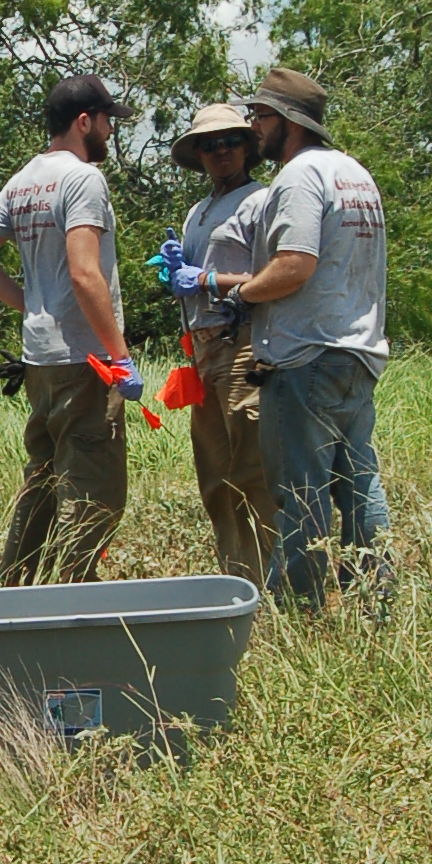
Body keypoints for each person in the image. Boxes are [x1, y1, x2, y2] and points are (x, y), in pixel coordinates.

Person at [206, 68, 391, 610]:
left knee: (299, 494)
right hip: (358, 353)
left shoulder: (298, 177)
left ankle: (299, 616)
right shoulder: (355, 174)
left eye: (260, 116)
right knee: (359, 487)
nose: (253, 128)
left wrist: (242, 296)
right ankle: (373, 607)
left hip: (305, 355)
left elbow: (294, 266)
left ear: (287, 121)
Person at [0, 73, 147, 584]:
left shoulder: (25, 179)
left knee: (41, 482)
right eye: (107, 122)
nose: (110, 131)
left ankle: (12, 595)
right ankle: (73, 604)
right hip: (84, 362)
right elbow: (85, 272)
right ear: (84, 122)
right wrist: (119, 355)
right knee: (94, 494)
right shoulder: (83, 180)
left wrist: (31, 305)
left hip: (40, 360)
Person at [157, 103, 278, 584]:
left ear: (248, 146)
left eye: (229, 141)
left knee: (253, 468)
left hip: (245, 342)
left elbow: (274, 277)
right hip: (203, 350)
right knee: (214, 475)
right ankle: (237, 580)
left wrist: (206, 279)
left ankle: (279, 582)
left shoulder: (261, 201)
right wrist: (173, 271)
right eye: (209, 144)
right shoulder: (198, 211)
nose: (220, 151)